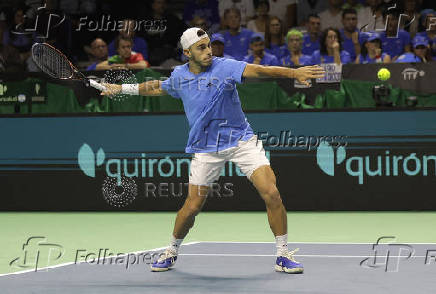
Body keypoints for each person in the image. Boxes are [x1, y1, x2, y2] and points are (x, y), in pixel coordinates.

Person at [100, 27, 325, 274]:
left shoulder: (225, 67)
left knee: (271, 192)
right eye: (202, 47)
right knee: (192, 207)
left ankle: (282, 255)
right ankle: (171, 250)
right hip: (205, 148)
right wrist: (120, 89)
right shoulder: (179, 76)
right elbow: (156, 87)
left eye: (209, 45)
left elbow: (260, 70)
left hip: (241, 141)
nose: (208, 51)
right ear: (187, 53)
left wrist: (294, 72)